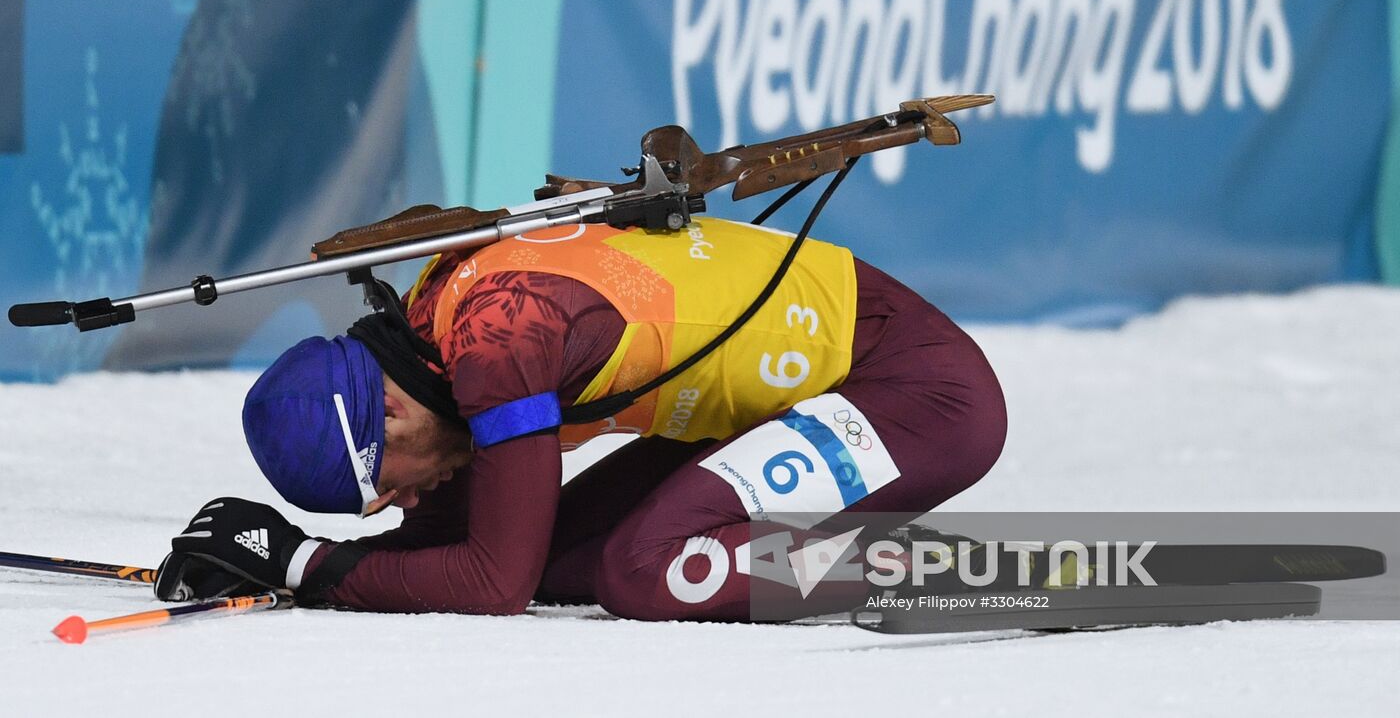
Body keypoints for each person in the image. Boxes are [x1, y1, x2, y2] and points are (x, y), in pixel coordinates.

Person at [157, 216, 1006, 620]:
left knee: (643, 573)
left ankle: (969, 572)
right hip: (802, 389)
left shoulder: (498, 347)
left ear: (387, 408)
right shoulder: (430, 327)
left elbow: (495, 582)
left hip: (912, 393)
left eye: (380, 488)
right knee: (570, 555)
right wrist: (280, 554)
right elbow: (479, 537)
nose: (402, 505)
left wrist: (305, 567)